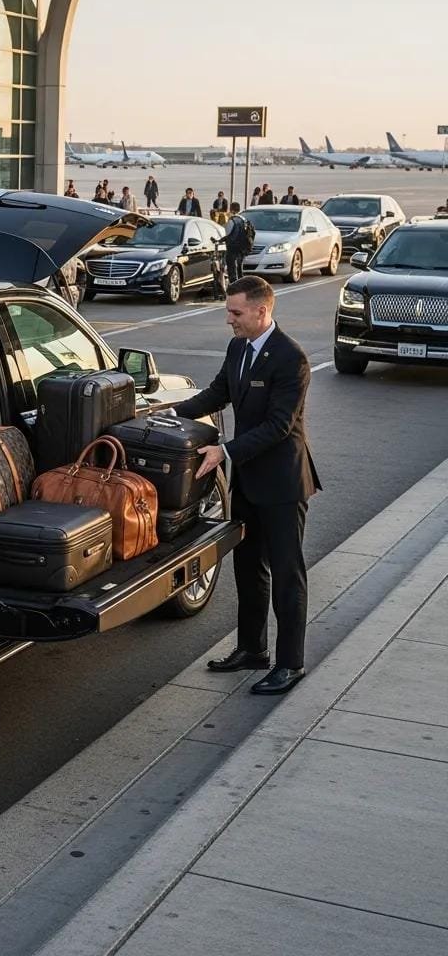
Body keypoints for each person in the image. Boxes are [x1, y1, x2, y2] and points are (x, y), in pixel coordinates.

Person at [168, 276, 321, 695]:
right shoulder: (238, 348)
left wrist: (224, 452)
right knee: (249, 567)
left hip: (283, 484)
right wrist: (167, 414)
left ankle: (291, 664)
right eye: (227, 312)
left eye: (235, 313)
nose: (228, 320)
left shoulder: (291, 359)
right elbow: (217, 394)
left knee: (287, 575)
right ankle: (252, 649)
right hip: (248, 481)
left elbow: (278, 426)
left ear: (261, 311)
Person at [217, 201, 251, 283]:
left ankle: (234, 285)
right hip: (243, 247)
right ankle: (241, 283)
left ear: (231, 209)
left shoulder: (232, 220)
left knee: (232, 267)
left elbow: (227, 233)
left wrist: (220, 240)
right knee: (239, 266)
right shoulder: (244, 220)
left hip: (233, 247)